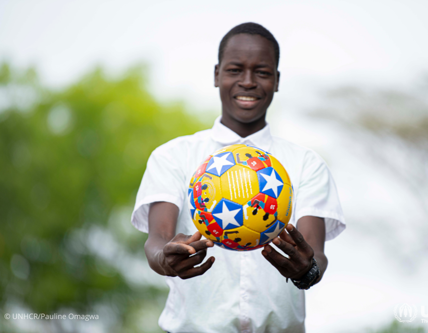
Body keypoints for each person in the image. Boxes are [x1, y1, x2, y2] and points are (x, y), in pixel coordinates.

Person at [131, 22, 346, 333]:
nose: (248, 82)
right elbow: (157, 241)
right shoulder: (173, 156)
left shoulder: (306, 164)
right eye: (235, 70)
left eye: (262, 72)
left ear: (277, 80)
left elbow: (316, 255)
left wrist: (306, 271)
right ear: (217, 75)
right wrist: (166, 259)